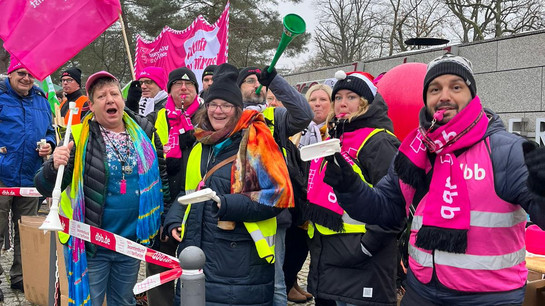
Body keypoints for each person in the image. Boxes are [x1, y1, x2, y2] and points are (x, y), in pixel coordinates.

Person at [324, 53, 545, 305]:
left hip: (489, 297)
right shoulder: (415, 151)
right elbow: (384, 208)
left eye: (456, 87)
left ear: (472, 95)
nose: (444, 96)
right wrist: (349, 185)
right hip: (422, 292)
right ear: (426, 98)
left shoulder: (507, 151)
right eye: (435, 89)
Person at [34, 71, 170, 306]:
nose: (109, 99)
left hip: (130, 241)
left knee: (123, 301)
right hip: (91, 244)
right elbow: (44, 187)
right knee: (92, 302)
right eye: (101, 96)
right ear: (91, 105)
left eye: (114, 93)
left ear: (122, 100)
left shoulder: (145, 131)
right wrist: (53, 165)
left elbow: (162, 180)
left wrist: (165, 218)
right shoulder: (77, 137)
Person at [164, 63, 294, 305]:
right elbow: (189, 191)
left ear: (237, 110)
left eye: (226, 105)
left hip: (240, 265)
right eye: (213, 104)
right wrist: (174, 218)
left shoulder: (256, 143)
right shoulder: (200, 144)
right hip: (197, 257)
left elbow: (277, 197)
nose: (218, 111)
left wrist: (226, 204)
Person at [304, 70, 401, 306]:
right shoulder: (335, 138)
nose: (342, 104)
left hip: (362, 265)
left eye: (351, 97)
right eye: (338, 98)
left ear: (366, 103)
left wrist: (366, 247)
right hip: (328, 262)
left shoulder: (380, 142)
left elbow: (395, 205)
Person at [237, 66, 313, 305]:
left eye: (259, 81)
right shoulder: (230, 116)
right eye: (249, 81)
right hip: (237, 211)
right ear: (237, 89)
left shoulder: (274, 116)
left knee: (276, 281)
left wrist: (276, 82)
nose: (255, 84)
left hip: (273, 215)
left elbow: (303, 115)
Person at [144, 67, 201, 306]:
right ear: (169, 90)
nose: (184, 89)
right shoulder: (152, 119)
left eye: (189, 85)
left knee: (196, 268)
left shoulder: (210, 116)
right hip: (162, 204)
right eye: (177, 84)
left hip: (197, 205)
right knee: (160, 269)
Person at [0, 59, 56, 299]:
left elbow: (50, 132)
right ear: (11, 73)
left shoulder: (41, 100)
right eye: (21, 73)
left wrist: (50, 146)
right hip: (2, 176)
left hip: (31, 178)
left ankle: (22, 276)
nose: (26, 78)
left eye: (31, 74)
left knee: (26, 231)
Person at [285, 84, 334, 305]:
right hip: (300, 198)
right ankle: (289, 282)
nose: (317, 104)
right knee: (296, 246)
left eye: (323, 99)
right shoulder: (298, 129)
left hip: (325, 200)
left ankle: (293, 282)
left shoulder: (334, 130)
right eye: (312, 99)